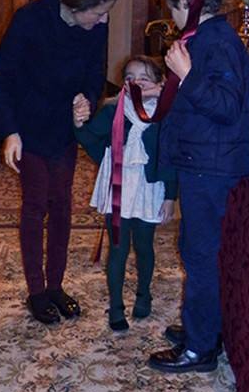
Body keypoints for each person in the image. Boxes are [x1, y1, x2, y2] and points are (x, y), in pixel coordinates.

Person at [0, 0, 124, 325]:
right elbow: (1, 79)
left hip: (63, 129)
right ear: (78, 4)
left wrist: (86, 99)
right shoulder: (30, 20)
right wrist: (10, 131)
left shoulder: (94, 27)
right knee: (35, 205)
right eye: (99, 12)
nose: (104, 21)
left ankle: (56, 286)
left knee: (62, 205)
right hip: (28, 127)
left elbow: (94, 74)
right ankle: (37, 292)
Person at [148, 0, 249, 373]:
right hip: (203, 159)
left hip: (210, 166)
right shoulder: (207, 37)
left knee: (200, 255)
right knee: (196, 250)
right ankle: (203, 328)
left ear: (184, 2)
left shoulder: (217, 41)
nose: (172, 16)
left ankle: (200, 347)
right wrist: (169, 86)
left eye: (172, 7)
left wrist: (186, 75)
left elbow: (227, 107)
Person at [74, 55, 177, 332]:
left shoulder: (166, 113)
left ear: (159, 83)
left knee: (144, 246)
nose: (136, 83)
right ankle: (116, 306)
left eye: (144, 78)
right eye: (130, 78)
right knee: (118, 248)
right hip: (119, 186)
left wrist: (170, 196)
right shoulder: (114, 110)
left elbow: (170, 158)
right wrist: (79, 124)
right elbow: (91, 139)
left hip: (148, 189)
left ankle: (144, 294)